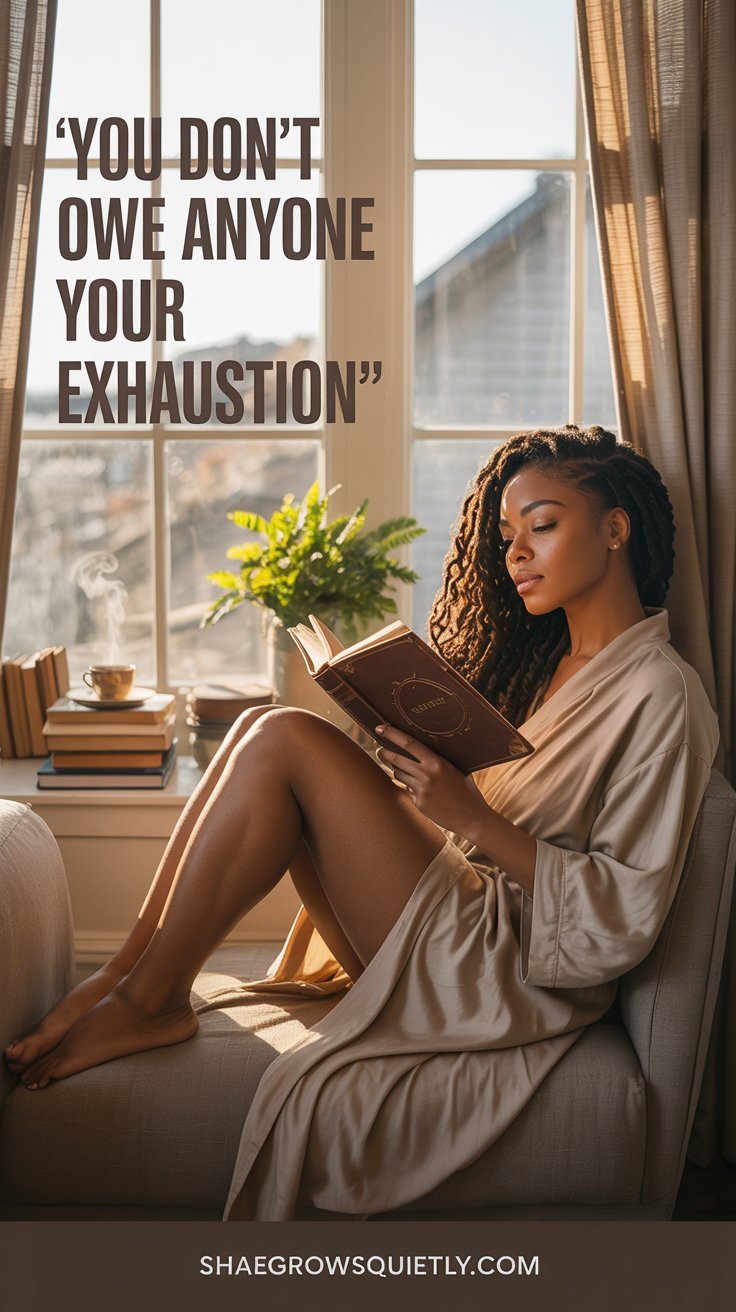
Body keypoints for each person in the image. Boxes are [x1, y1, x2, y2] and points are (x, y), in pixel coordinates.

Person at [4, 424, 719, 1221]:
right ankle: (123, 980)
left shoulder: (662, 694)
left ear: (616, 528)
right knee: (256, 732)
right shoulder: (545, 667)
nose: (516, 554)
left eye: (543, 526)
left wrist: (469, 816)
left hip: (510, 975)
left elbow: (627, 913)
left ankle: (150, 1000)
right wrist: (413, 788)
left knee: (281, 735)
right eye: (508, 536)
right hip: (460, 923)